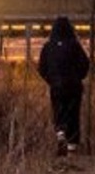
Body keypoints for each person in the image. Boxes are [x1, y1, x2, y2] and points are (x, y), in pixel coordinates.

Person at [37, 16, 90, 156]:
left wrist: (51, 80)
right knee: (73, 114)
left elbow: (42, 68)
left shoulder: (48, 47)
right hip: (73, 86)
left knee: (59, 112)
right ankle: (72, 149)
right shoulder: (75, 45)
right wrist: (79, 77)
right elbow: (85, 64)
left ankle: (60, 134)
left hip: (56, 86)